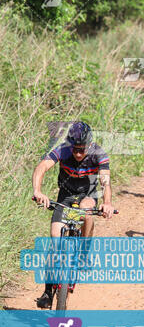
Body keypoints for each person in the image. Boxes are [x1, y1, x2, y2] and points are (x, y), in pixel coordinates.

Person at [32, 121, 114, 308]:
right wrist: (38, 191)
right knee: (54, 240)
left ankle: (84, 252)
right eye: (74, 149)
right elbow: (41, 168)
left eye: (81, 150)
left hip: (88, 195)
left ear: (90, 144)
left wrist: (107, 203)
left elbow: (105, 182)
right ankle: (47, 292)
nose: (77, 154)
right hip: (66, 196)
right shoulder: (63, 150)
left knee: (86, 212)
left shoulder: (98, 153)